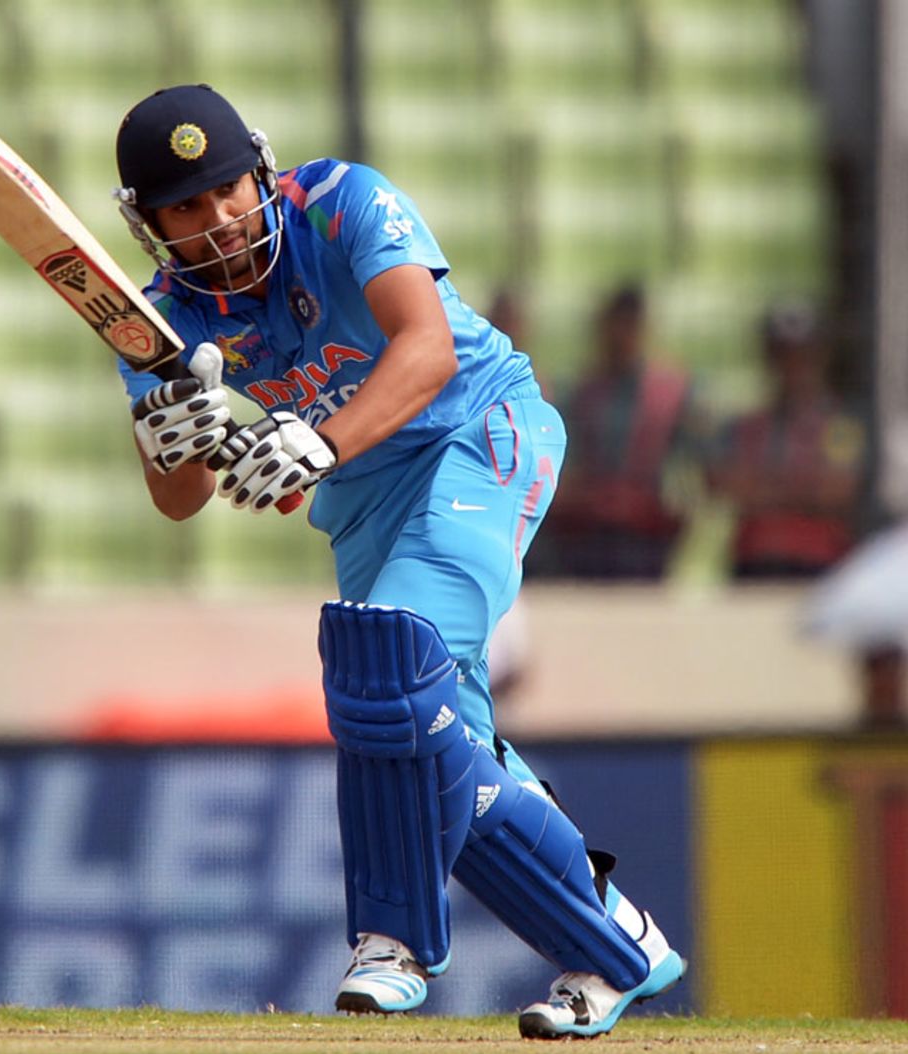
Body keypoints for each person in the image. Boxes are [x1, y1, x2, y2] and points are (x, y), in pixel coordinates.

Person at [110, 84, 684, 1039]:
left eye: (227, 192)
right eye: (186, 208)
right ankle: (617, 947)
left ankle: (394, 940)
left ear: (260, 169)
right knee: (424, 723)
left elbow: (425, 351)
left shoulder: (340, 201)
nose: (218, 222)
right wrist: (174, 438)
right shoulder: (159, 318)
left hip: (481, 432)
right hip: (369, 494)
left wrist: (320, 443)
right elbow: (177, 500)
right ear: (151, 225)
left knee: (387, 650)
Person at [538, 286, 702, 579]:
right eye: (614, 325)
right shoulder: (578, 394)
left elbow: (692, 476)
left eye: (629, 326)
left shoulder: (671, 394)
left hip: (646, 535)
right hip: (585, 533)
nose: (620, 336)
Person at [706, 302, 864, 579]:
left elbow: (837, 491)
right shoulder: (743, 427)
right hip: (753, 563)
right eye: (781, 353)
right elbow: (724, 486)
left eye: (802, 354)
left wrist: (762, 488)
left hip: (819, 564)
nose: (792, 364)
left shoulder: (842, 427)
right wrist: (804, 485)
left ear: (821, 356)